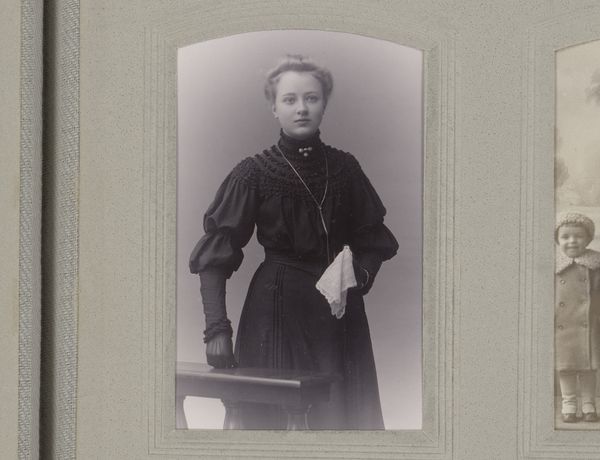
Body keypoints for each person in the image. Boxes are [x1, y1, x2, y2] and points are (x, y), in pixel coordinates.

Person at [189, 54, 399, 429]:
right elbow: (215, 256)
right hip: (275, 315)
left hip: (339, 317)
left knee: (341, 420)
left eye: (311, 98)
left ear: (324, 104)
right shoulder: (253, 173)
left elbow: (373, 241)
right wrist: (216, 328)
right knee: (272, 424)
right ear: (274, 107)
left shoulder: (346, 168)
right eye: (289, 99)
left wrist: (356, 276)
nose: (301, 108)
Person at [555, 212, 600, 423]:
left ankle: (589, 404)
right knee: (566, 367)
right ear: (558, 240)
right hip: (562, 325)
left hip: (589, 323)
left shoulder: (595, 264)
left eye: (578, 236)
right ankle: (569, 404)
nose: (572, 241)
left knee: (588, 367)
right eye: (565, 237)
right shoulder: (554, 266)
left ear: (588, 239)